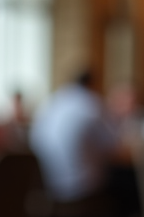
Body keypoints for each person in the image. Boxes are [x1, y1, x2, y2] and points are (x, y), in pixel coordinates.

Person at [29, 70, 120, 203]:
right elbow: (114, 146)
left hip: (45, 184)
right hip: (79, 188)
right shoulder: (91, 103)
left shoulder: (53, 101)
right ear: (93, 83)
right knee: (126, 183)